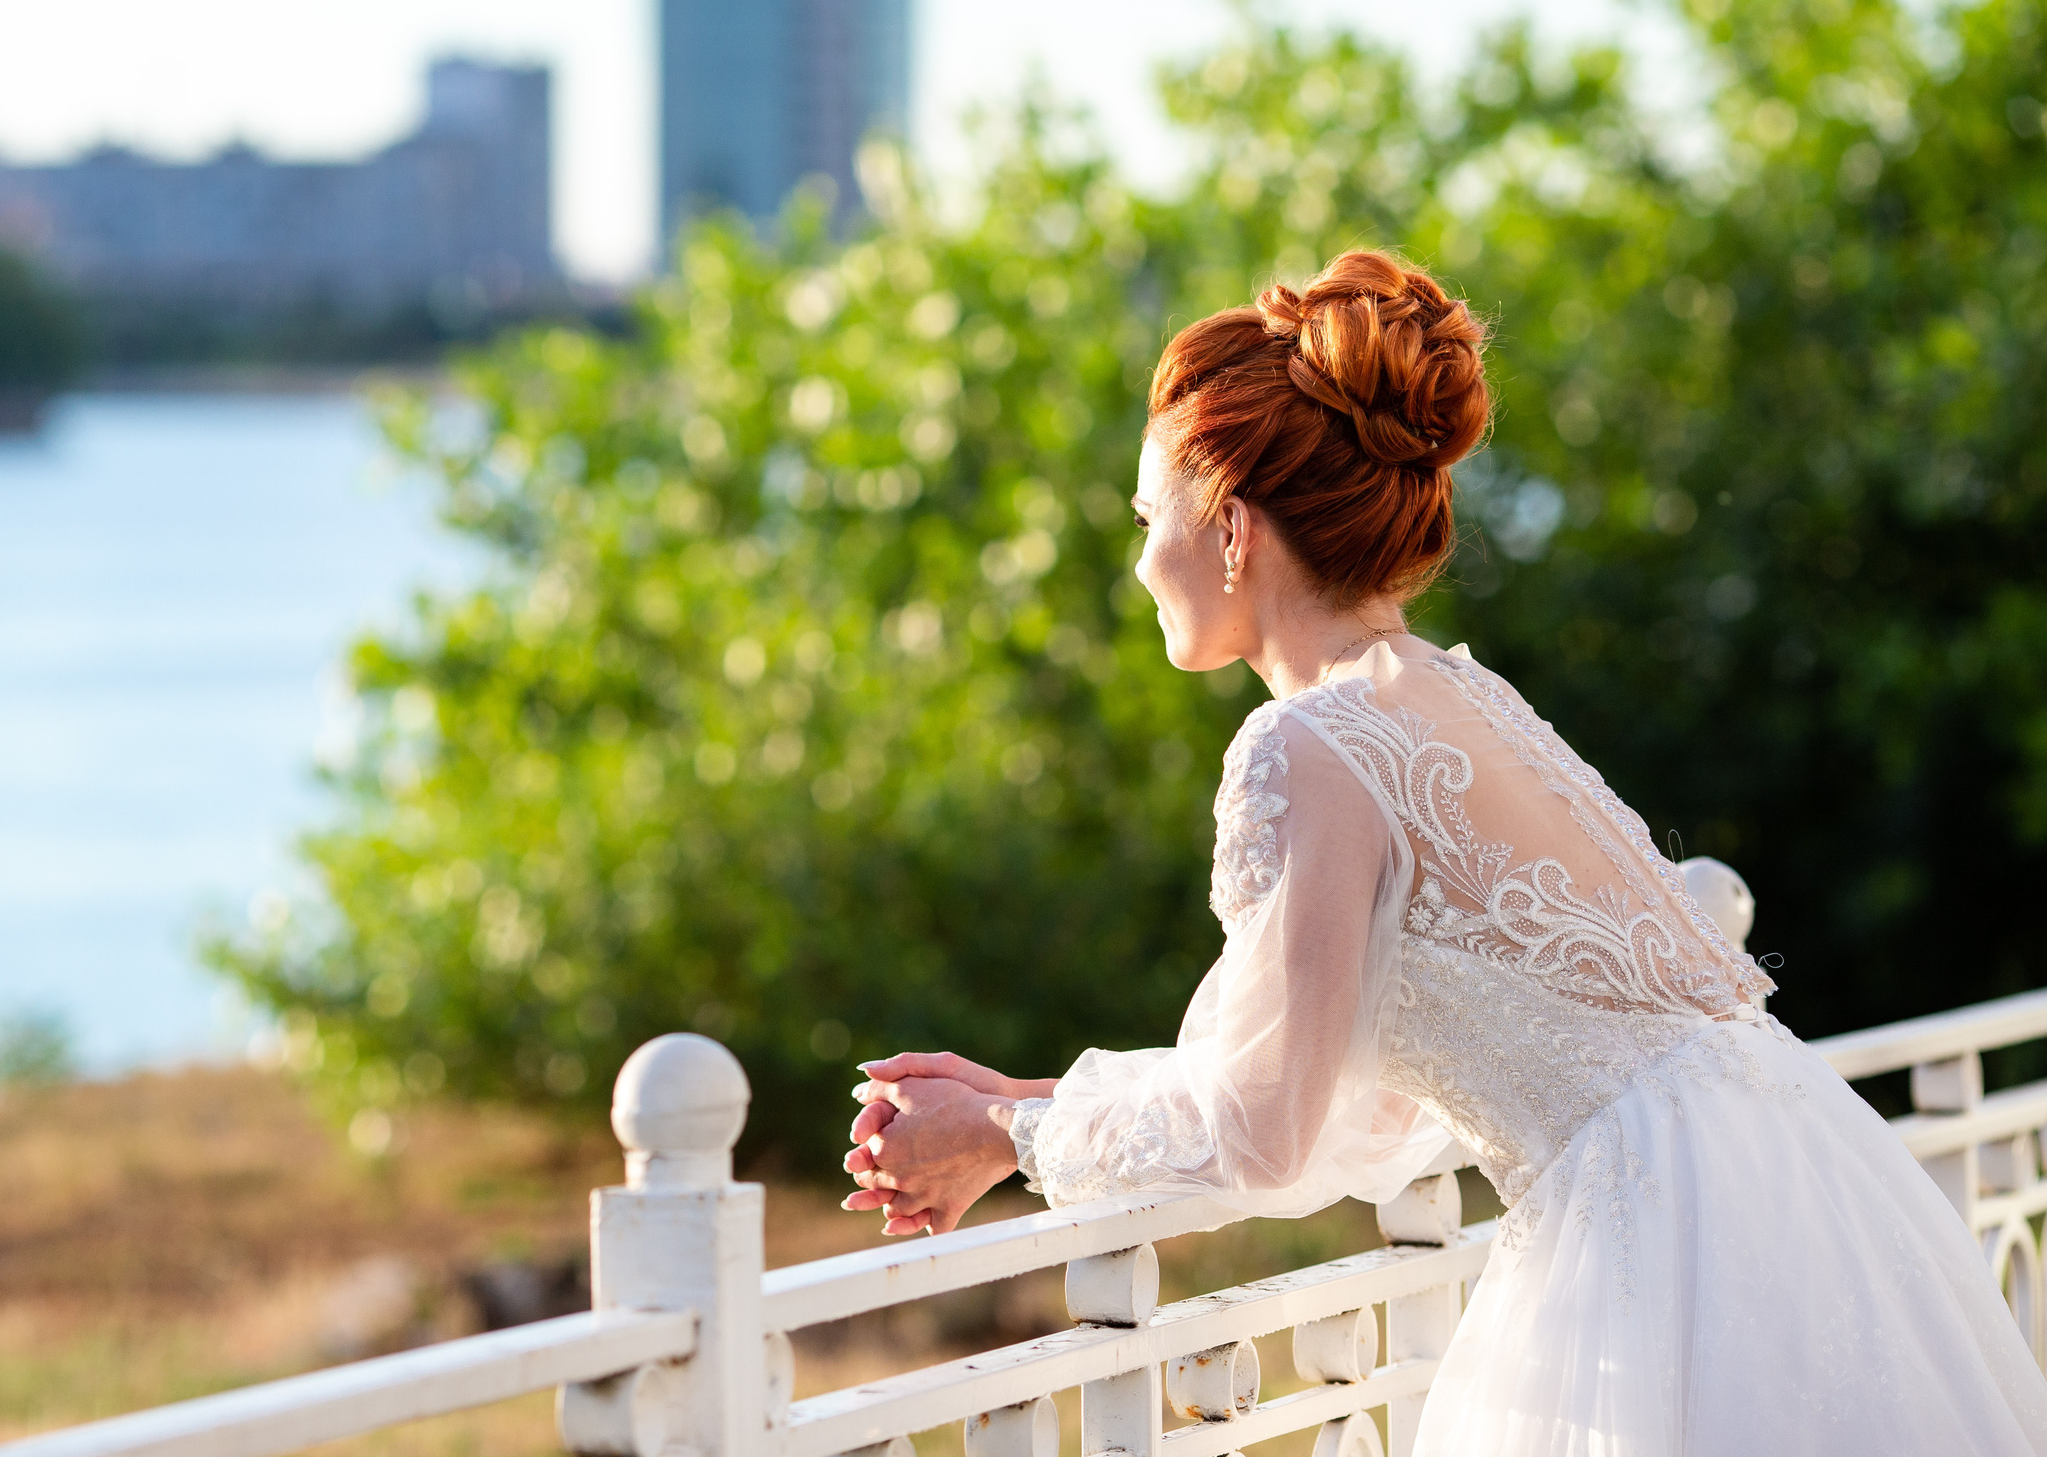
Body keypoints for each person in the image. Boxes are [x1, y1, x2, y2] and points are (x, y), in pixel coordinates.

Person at [839, 249, 2047, 1453]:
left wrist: (1006, 1140)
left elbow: (1267, 1133)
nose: (1140, 559)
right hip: (1789, 1178)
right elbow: (1350, 1094)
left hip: (1663, 1244)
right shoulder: (1452, 693)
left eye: (1150, 517)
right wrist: (1039, 1103)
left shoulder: (1302, 748)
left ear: (1230, 528)